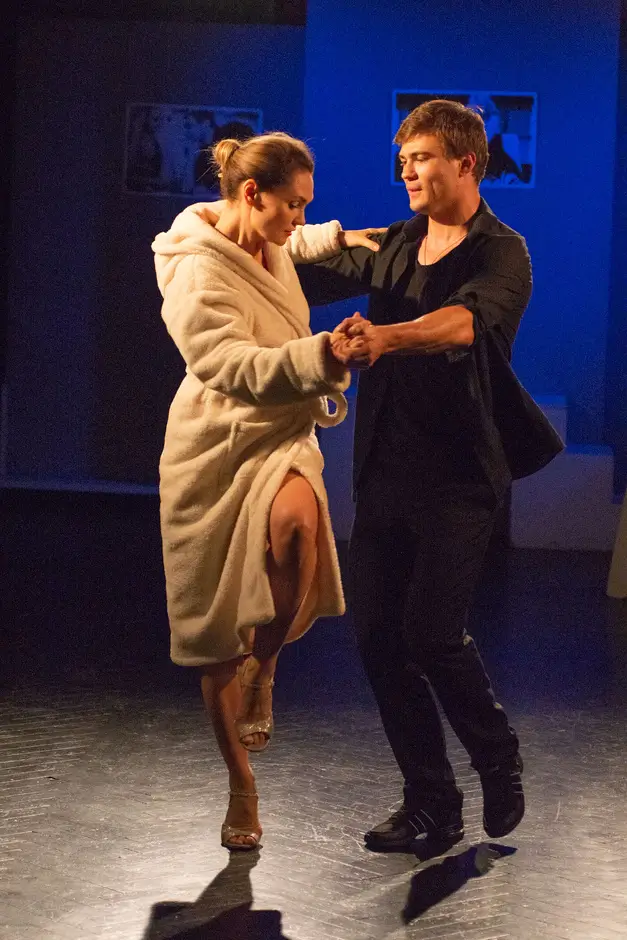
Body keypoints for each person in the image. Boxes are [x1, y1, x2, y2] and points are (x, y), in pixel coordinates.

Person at [296, 100, 563, 851]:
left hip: (460, 476)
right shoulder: (394, 242)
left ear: (466, 163)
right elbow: (295, 272)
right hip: (385, 468)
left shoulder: (501, 252)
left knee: (432, 634)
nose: (408, 172)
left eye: (421, 159)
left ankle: (496, 755)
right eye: (403, 160)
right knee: (378, 639)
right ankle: (430, 803)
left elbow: (463, 324)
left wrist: (386, 336)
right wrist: (227, 233)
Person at [151, 131, 377, 851]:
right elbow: (225, 364)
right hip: (214, 445)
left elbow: (287, 245)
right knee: (218, 636)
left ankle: (267, 663)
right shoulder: (193, 269)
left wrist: (336, 236)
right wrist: (323, 353)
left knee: (301, 529)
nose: (297, 218)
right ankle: (241, 787)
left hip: (279, 431)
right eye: (293, 204)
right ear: (252, 194)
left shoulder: (265, 235)